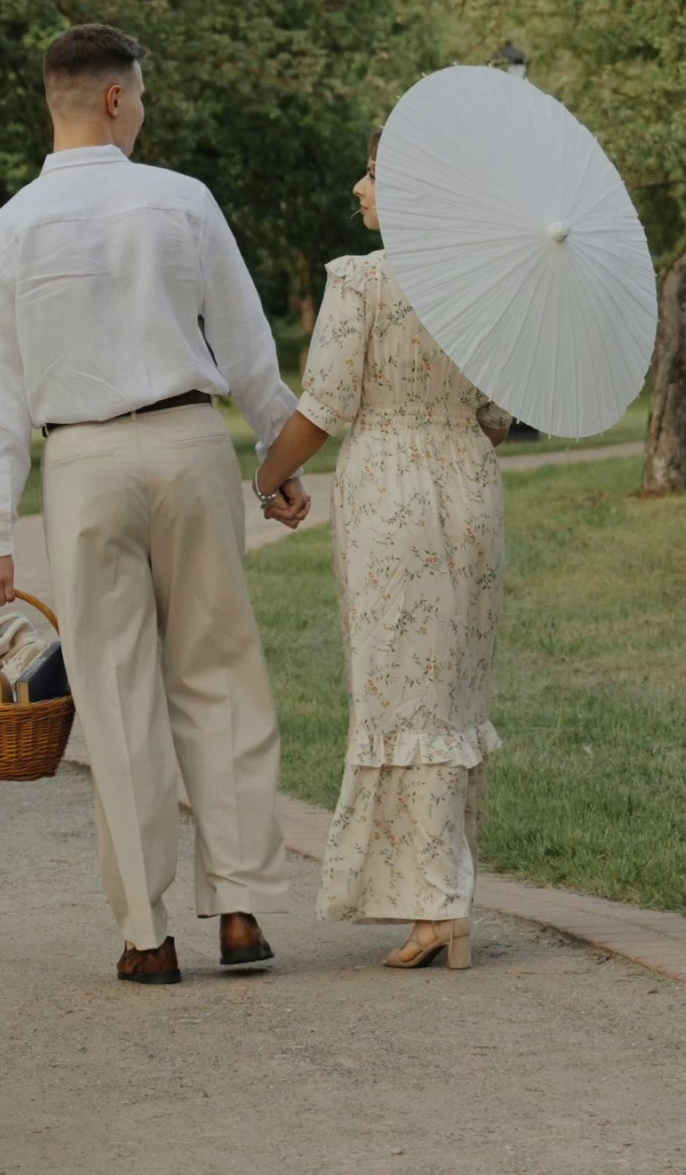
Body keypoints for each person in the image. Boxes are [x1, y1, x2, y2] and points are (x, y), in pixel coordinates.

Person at [0, 24, 310, 985]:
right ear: (116, 99)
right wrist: (278, 461)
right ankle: (240, 908)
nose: (146, 112)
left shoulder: (9, 228)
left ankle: (145, 931)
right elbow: (248, 347)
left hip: (79, 462)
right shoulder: (182, 199)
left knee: (114, 698)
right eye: (144, 97)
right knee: (219, 667)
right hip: (186, 441)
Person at [252, 129, 510, 971]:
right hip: (469, 485)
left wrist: (269, 475)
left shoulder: (360, 279)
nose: (359, 187)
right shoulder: (484, 287)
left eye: (370, 172)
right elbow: (497, 418)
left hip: (392, 488)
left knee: (401, 687)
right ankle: (444, 894)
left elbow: (324, 404)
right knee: (450, 691)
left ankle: (433, 903)